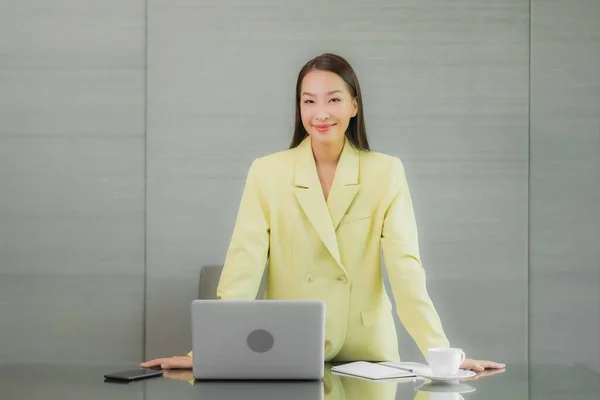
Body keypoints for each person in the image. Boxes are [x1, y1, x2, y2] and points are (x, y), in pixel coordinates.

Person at [142, 53, 505, 372]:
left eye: (333, 99)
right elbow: (244, 266)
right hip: (288, 344)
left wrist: (443, 356)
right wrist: (205, 350)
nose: (320, 113)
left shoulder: (385, 172)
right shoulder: (268, 172)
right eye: (309, 101)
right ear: (299, 108)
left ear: (354, 105)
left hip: (368, 352)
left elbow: (406, 269)